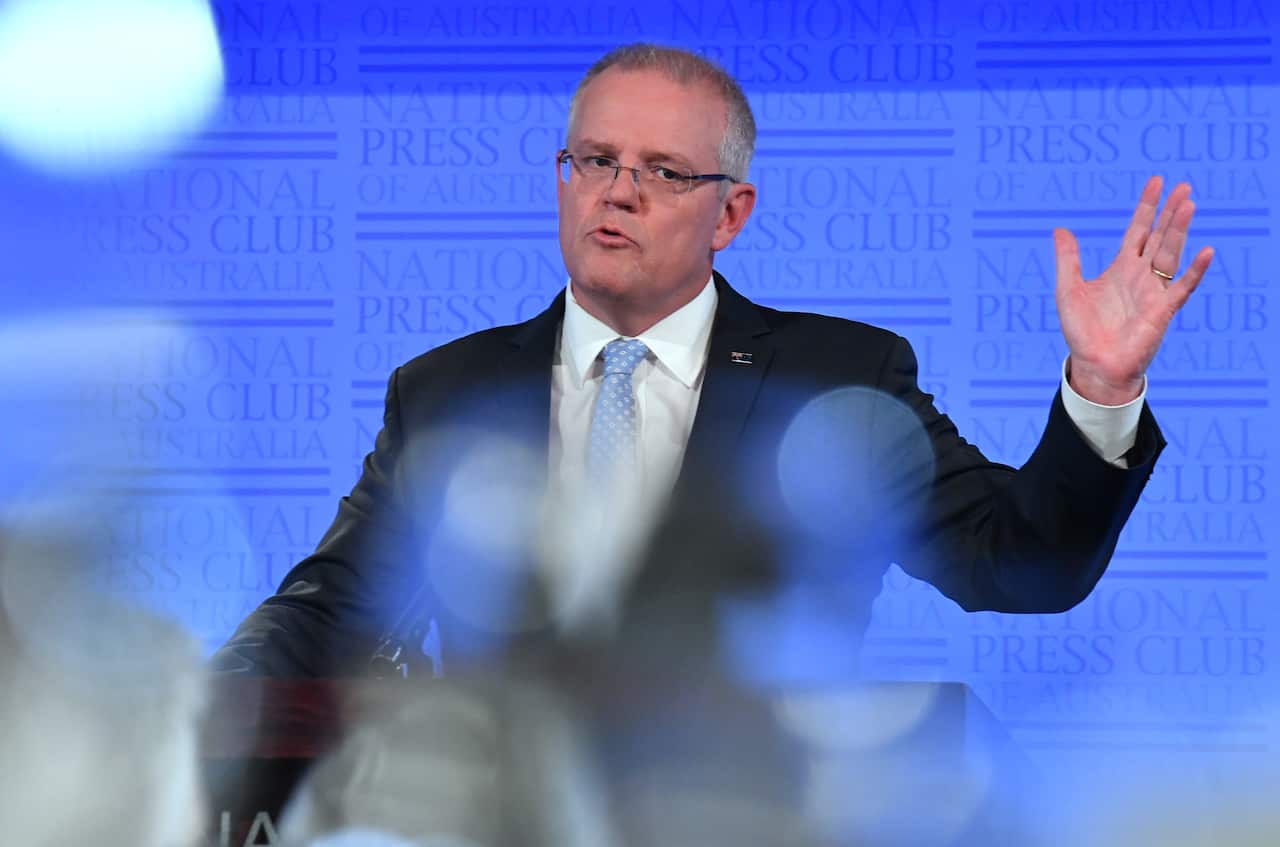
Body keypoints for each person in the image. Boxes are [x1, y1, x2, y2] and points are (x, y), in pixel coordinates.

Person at [211, 43, 1213, 678]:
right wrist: (216, 695)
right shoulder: (445, 389)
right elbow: (335, 604)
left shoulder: (840, 376)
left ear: (729, 212)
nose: (617, 192)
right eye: (594, 160)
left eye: (663, 171)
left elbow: (1019, 566)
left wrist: (1101, 385)